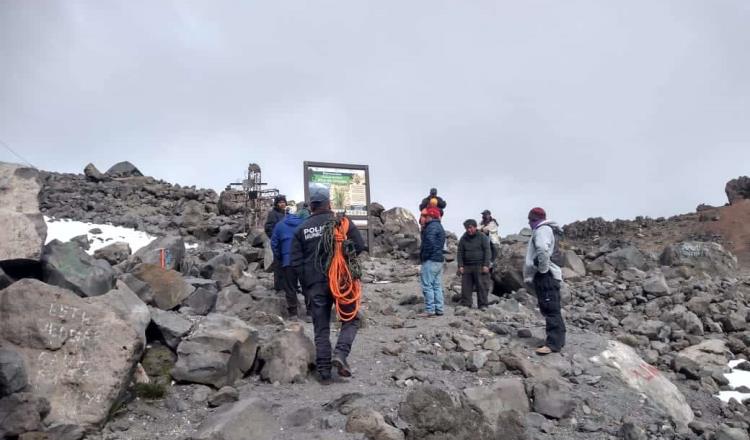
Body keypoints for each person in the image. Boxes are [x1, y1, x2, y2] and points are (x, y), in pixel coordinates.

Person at [291, 186, 365, 384]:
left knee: (321, 327)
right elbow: (359, 245)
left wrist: (306, 286)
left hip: (315, 284)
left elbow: (296, 263)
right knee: (351, 318)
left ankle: (324, 372)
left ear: (311, 207)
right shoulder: (342, 223)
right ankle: (340, 354)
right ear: (329, 204)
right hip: (342, 281)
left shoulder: (301, 229)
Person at [523, 207, 565, 355]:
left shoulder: (542, 230)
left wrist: (542, 269)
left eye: (530, 219)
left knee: (550, 308)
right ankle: (558, 340)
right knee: (552, 307)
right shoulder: (548, 230)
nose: (529, 223)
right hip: (550, 275)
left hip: (546, 275)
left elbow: (541, 249)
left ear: (534, 219)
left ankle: (553, 344)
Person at [271, 210, 310, 320]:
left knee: (290, 287)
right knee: (306, 286)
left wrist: (280, 256)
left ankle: (293, 314)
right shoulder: (304, 223)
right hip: (303, 260)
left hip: (288, 261)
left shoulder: (280, 225)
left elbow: (274, 243)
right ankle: (310, 313)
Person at [457, 219, 491, 309]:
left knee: (482, 286)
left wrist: (486, 265)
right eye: (466, 228)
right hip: (467, 266)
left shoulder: (482, 237)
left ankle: (483, 305)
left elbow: (487, 251)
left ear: (475, 227)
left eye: (470, 228)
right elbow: (459, 252)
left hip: (480, 265)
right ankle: (466, 304)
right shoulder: (463, 238)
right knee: (466, 287)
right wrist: (460, 265)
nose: (468, 230)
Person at [419, 207, 446, 317]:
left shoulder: (431, 227)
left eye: (426, 216)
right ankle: (439, 309)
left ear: (431, 216)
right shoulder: (439, 226)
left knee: (427, 285)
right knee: (437, 285)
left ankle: (430, 310)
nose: (424, 218)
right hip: (439, 259)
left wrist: (424, 256)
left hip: (431, 259)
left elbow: (429, 242)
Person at [264, 195, 287, 292]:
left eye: (283, 202)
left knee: (286, 264)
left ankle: (286, 285)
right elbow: (268, 228)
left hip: (286, 243)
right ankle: (278, 286)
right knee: (278, 264)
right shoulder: (273, 214)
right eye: (280, 202)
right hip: (278, 243)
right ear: (276, 204)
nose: (282, 204)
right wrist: (275, 239)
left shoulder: (285, 213)